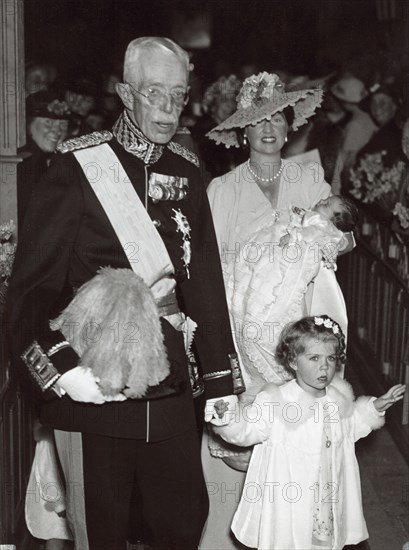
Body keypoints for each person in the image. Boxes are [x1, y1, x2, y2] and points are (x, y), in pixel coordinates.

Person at [6, 36, 242, 550]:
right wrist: (61, 370)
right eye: (154, 92)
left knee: (182, 522)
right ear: (125, 93)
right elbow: (29, 293)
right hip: (97, 386)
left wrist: (221, 381)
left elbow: (203, 280)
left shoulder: (187, 170)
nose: (168, 107)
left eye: (178, 95)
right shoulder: (74, 169)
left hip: (173, 384)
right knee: (103, 531)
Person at [200, 71, 353, 550]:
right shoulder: (221, 190)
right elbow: (210, 271)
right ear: (242, 132)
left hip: (303, 331)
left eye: (277, 119)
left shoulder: (310, 178)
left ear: (290, 127)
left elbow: (339, 238)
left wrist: (310, 240)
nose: (267, 128)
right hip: (242, 328)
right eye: (256, 120)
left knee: (302, 448)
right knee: (243, 441)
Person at [209, 315, 406, 550]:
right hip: (290, 498)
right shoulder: (275, 401)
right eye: (314, 358)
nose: (324, 367)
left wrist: (373, 408)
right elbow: (244, 431)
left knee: (324, 541)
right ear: (293, 361)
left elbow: (349, 428)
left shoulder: (337, 397)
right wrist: (224, 417)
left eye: (330, 358)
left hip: (327, 494)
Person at [223, 195, 359, 390]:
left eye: (327, 204)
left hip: (287, 261)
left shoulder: (321, 224)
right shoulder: (310, 216)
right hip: (272, 253)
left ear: (335, 220)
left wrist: (296, 235)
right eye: (325, 199)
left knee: (270, 293)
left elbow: (314, 233)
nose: (321, 200)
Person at [18, 90, 71, 228]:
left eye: (63, 125)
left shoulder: (46, 161)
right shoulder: (23, 164)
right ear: (28, 124)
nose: (57, 131)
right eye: (48, 122)